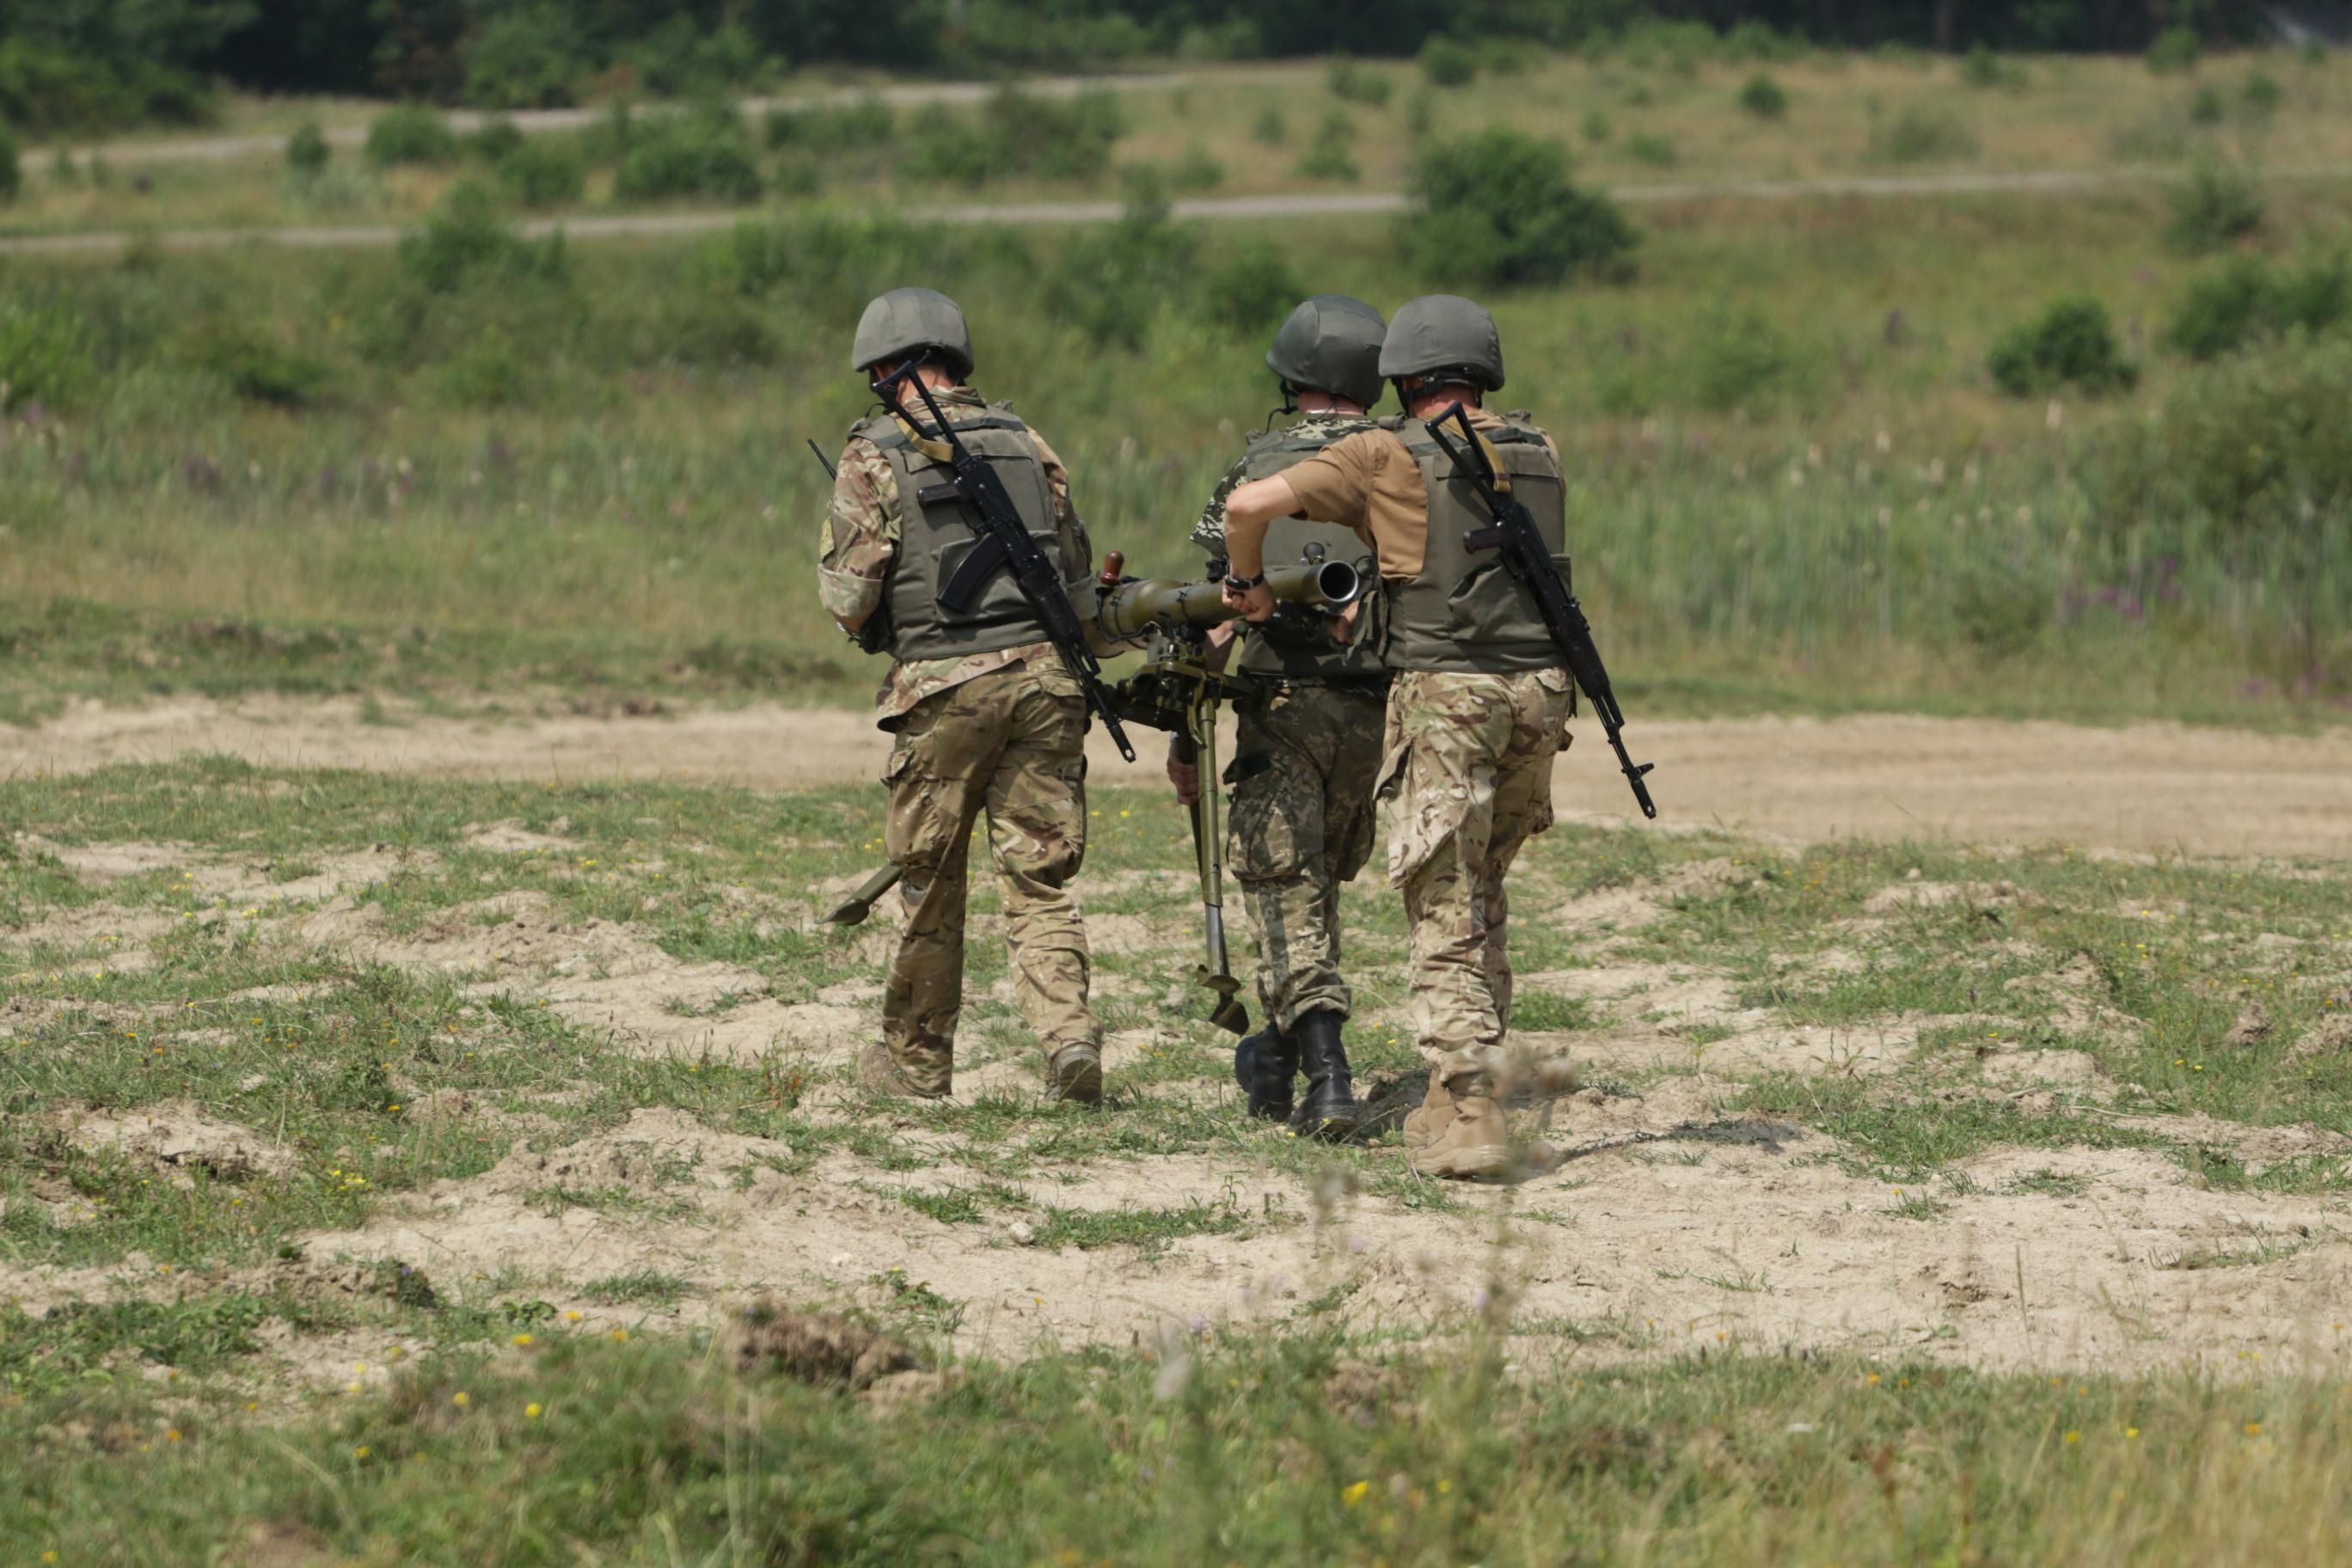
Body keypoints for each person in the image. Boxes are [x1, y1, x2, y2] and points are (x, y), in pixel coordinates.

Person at [1216, 294, 1575, 1179]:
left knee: (1443, 901)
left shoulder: (1386, 452)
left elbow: (1250, 502)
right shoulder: (1538, 449)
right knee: (1483, 890)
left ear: (1404, 377)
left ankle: (1470, 1109)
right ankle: (1458, 1095)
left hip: (1448, 696)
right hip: (1543, 690)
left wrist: (1247, 582)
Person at [818, 286, 1103, 1106]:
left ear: (883, 370)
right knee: (1039, 881)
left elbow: (848, 598)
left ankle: (914, 1067)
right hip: (1048, 686)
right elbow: (1075, 575)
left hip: (945, 690)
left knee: (929, 886)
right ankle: (1069, 1039)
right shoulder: (1028, 442)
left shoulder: (871, 453)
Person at [1172, 296, 1389, 1137]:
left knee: (1283, 887)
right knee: (1311, 893)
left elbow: (1216, 609)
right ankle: (1273, 1052)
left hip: (1283, 706)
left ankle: (1328, 1076)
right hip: (1379, 712)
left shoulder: (1254, 473)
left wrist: (1189, 728)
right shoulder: (1401, 463)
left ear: (1291, 377)